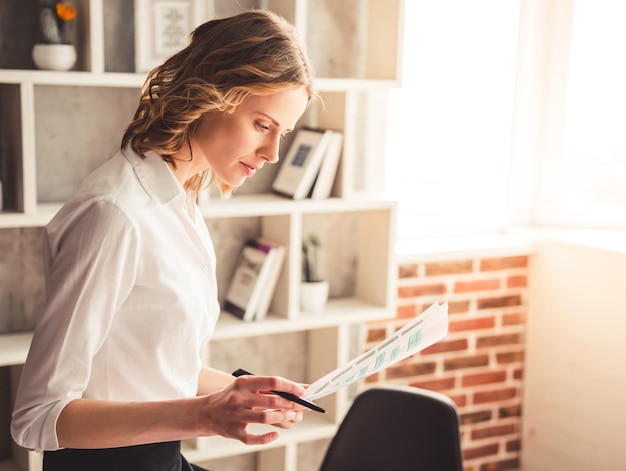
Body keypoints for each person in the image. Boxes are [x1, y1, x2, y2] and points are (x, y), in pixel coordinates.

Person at [11, 9, 316, 471]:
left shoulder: (183, 199)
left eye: (283, 134)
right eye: (262, 125)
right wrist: (204, 416)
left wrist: (246, 395)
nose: (273, 153)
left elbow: (150, 367)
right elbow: (37, 417)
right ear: (215, 93)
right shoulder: (114, 214)